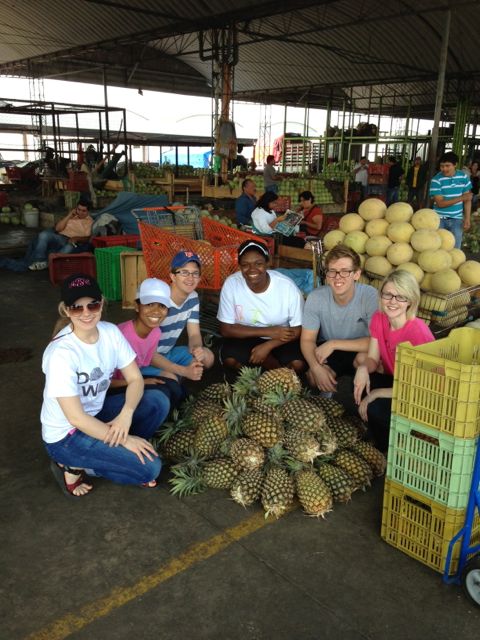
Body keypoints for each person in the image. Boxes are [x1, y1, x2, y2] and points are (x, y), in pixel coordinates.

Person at [42, 273, 161, 498]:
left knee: (156, 401)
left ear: (102, 303)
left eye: (93, 305)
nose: (86, 313)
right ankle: (73, 466)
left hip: (96, 414)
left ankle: (115, 450)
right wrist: (126, 439)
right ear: (66, 310)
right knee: (150, 469)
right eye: (76, 308)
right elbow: (76, 418)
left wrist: (126, 415)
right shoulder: (61, 354)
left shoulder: (110, 332)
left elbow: (136, 379)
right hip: (66, 436)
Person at [353, 270, 434, 451]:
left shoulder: (417, 333)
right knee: (360, 385)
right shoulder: (379, 318)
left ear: (410, 301)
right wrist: (363, 368)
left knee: (374, 405)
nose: (393, 301)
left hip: (421, 394)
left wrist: (376, 393)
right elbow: (372, 358)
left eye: (401, 297)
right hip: (398, 381)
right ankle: (380, 436)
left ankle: (391, 448)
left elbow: (419, 387)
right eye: (388, 294)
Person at [217, 239, 305, 374]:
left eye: (258, 263)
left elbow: (297, 329)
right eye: (245, 265)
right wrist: (268, 331)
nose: (252, 269)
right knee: (230, 361)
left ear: (268, 263)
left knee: (297, 365)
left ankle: (274, 372)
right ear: (239, 266)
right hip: (246, 336)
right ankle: (259, 376)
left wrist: (268, 345)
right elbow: (226, 329)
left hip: (281, 338)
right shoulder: (232, 284)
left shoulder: (287, 287)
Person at [301, 244, 378, 394]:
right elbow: (307, 340)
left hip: (357, 348)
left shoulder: (370, 296)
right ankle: (329, 397)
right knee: (313, 377)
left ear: (356, 274)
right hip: (328, 350)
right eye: (332, 271)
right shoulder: (316, 297)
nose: (337, 277)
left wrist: (333, 344)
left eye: (345, 271)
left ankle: (356, 393)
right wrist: (316, 368)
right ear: (326, 274)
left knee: (364, 360)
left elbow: (377, 342)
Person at [109, 277, 187, 414]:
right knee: (161, 395)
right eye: (149, 304)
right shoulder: (119, 336)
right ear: (137, 306)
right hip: (111, 388)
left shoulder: (156, 332)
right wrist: (140, 382)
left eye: (162, 306)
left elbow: (146, 361)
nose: (156, 311)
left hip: (134, 377)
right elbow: (102, 383)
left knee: (174, 387)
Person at [140, 251, 215, 381]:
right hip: (146, 358)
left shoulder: (193, 298)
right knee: (172, 377)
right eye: (184, 272)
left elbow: (194, 334)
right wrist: (182, 370)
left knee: (208, 358)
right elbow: (148, 352)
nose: (190, 278)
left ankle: (177, 373)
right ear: (173, 276)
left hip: (168, 352)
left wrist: (196, 349)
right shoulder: (160, 303)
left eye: (195, 273)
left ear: (199, 278)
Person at [28, 198, 93, 271]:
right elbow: (57, 229)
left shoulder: (89, 222)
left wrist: (76, 238)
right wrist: (69, 215)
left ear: (88, 211)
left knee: (69, 248)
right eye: (79, 209)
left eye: (83, 211)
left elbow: (88, 238)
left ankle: (48, 263)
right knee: (44, 235)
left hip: (72, 241)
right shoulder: (72, 216)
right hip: (60, 237)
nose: (80, 212)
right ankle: (39, 260)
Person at [429, 151, 472, 248]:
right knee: (437, 248)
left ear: (455, 165)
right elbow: (440, 204)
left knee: (455, 249)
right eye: (442, 166)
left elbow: (467, 200)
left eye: (447, 166)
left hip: (457, 220)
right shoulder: (436, 180)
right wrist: (461, 198)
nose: (444, 169)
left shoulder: (463, 177)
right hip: (438, 219)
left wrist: (467, 218)